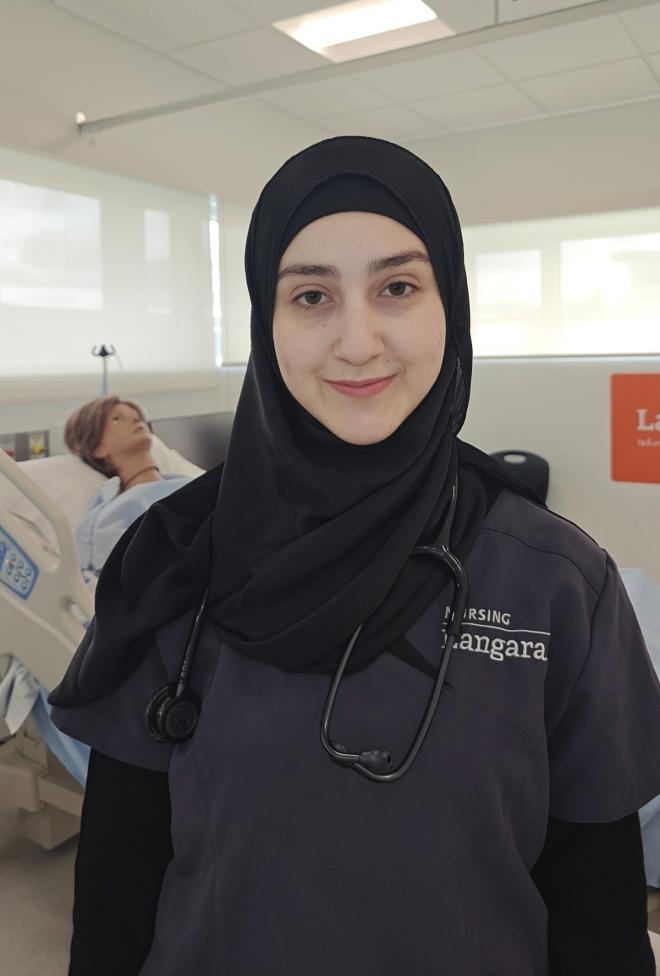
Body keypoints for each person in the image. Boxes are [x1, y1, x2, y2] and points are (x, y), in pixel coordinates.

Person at [48, 136, 660, 976]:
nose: (359, 341)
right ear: (268, 321)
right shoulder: (173, 562)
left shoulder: (559, 585)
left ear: (452, 306)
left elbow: (601, 921)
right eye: (310, 296)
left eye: (398, 287)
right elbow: (116, 895)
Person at [64, 396, 192, 574]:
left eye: (135, 415)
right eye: (117, 419)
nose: (135, 419)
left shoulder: (189, 483)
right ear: (97, 448)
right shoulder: (116, 511)